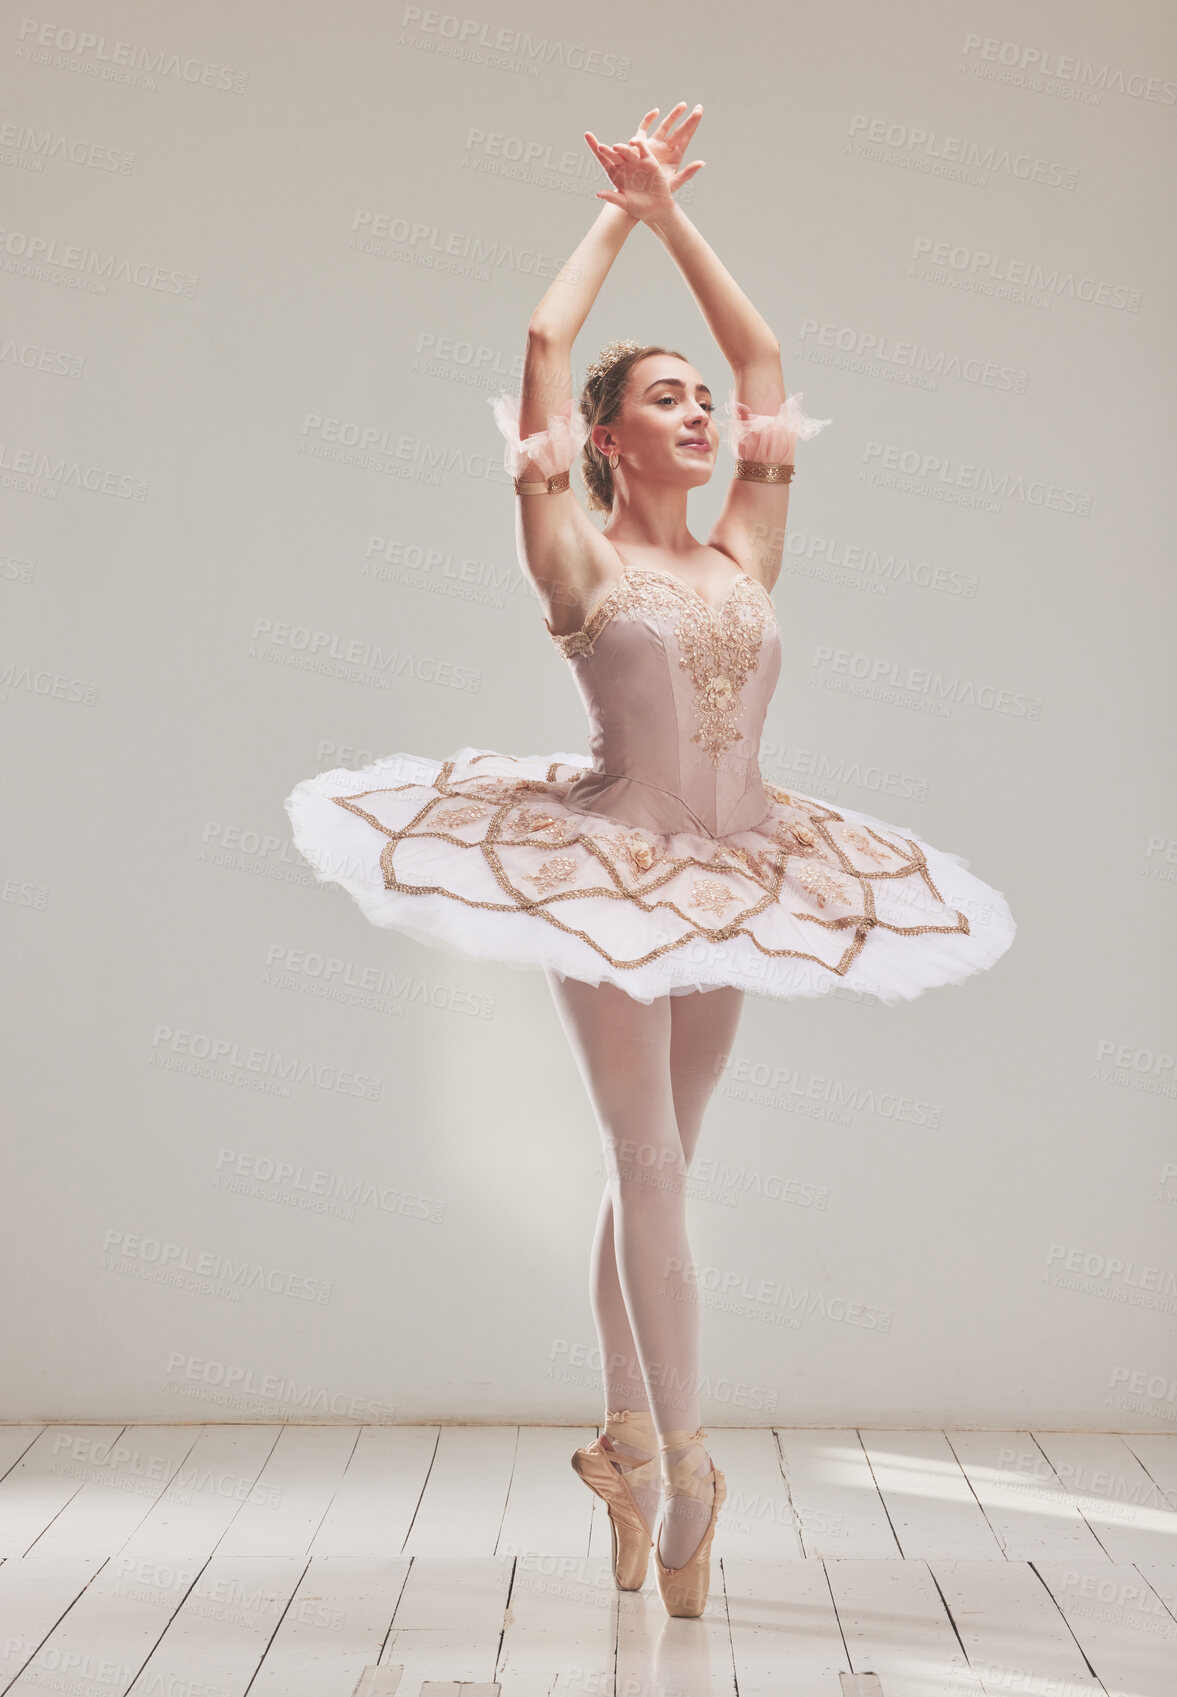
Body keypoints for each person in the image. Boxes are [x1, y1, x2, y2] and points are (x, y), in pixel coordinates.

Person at [284, 104, 1016, 1618]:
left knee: (669, 1160)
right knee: (651, 1160)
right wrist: (613, 218)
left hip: (747, 869)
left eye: (698, 401)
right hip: (606, 871)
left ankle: (621, 1441)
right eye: (660, 400)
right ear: (602, 444)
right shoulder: (578, 557)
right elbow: (546, 348)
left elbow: (763, 370)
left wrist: (678, 222)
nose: (697, 413)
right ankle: (688, 1466)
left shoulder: (745, 548)